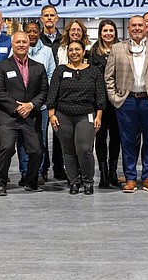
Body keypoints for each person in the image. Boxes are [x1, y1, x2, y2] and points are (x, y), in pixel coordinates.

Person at [105, 15, 148, 193]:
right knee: (127, 141)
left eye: (140, 25)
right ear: (128, 28)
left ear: (146, 27)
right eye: (133, 25)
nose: (137, 28)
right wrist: (114, 97)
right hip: (127, 101)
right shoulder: (117, 48)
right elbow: (109, 77)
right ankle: (131, 178)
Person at [0, 32, 49, 195]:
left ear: (29, 44)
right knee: (7, 148)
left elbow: (44, 91)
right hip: (8, 117)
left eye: (24, 42)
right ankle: (0, 183)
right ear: (13, 44)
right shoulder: (1, 66)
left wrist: (31, 105)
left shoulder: (38, 67)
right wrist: (17, 107)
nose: (22, 44)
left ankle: (31, 181)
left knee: (37, 151)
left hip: (30, 116)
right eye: (18, 42)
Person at [49, 40, 105, 195]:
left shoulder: (94, 71)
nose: (74, 52)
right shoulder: (60, 71)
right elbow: (52, 94)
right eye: (71, 50)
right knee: (68, 151)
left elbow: (100, 96)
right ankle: (74, 182)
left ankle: (88, 182)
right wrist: (51, 115)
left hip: (85, 114)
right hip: (63, 115)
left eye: (77, 49)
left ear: (83, 51)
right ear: (67, 52)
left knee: (85, 149)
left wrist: (98, 116)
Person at [51, 18, 90, 181]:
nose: (75, 32)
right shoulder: (60, 49)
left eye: (78, 30)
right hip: (63, 102)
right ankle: (68, 174)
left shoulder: (89, 50)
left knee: (84, 146)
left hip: (84, 106)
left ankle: (85, 175)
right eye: (72, 30)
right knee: (64, 144)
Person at [21, 21, 57, 184]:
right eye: (28, 31)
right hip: (22, 105)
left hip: (41, 104)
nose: (32, 34)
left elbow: (51, 75)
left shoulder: (47, 51)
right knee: (22, 140)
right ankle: (24, 171)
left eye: (35, 31)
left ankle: (40, 171)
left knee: (40, 139)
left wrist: (45, 98)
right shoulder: (18, 49)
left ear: (39, 32)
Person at [89, 19, 122, 188]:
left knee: (116, 138)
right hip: (99, 102)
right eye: (105, 31)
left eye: (111, 30)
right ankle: (102, 174)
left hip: (118, 101)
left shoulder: (123, 49)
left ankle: (113, 172)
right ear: (100, 33)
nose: (108, 33)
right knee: (100, 138)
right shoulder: (93, 53)